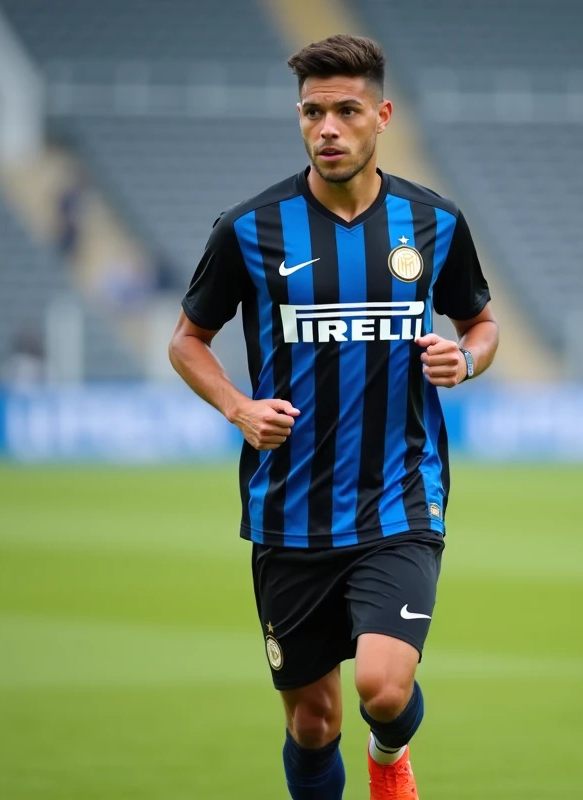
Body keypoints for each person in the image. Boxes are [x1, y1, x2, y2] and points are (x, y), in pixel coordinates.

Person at [168, 35, 499, 799]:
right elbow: (187, 341)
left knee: (383, 688)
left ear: (381, 116)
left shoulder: (435, 224)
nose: (328, 128)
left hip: (399, 502)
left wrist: (468, 359)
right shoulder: (249, 230)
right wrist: (238, 406)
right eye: (313, 112)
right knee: (312, 725)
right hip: (289, 512)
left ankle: (390, 756)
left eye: (346, 111)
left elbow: (479, 323)